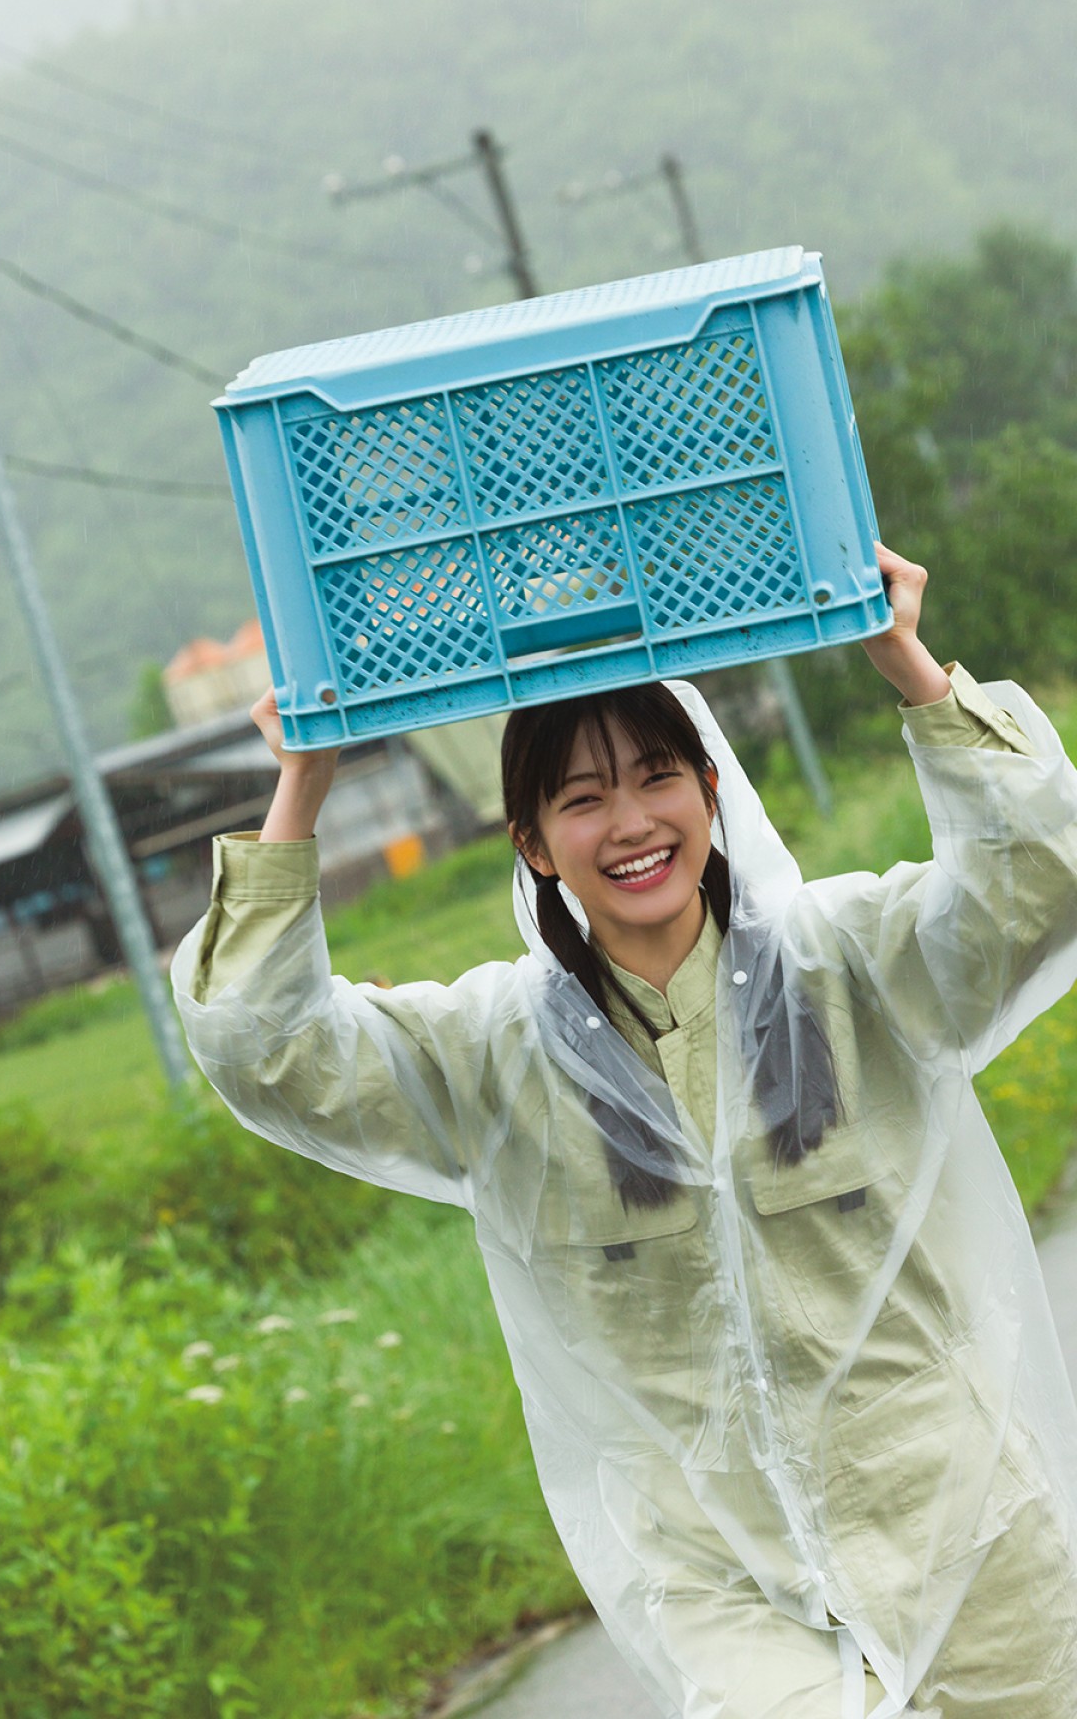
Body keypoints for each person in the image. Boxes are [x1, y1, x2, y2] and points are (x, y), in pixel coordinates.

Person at [172, 543, 1077, 1718]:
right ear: (535, 844)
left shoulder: (851, 964)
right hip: (722, 1586)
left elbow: (1040, 878)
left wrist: (898, 655)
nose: (632, 823)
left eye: (656, 778)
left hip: (957, 1529)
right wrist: (305, 779)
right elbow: (264, 1046)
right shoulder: (495, 1055)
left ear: (711, 792)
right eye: (582, 799)